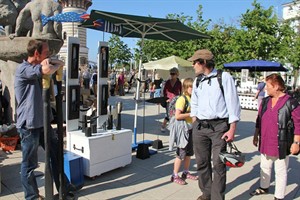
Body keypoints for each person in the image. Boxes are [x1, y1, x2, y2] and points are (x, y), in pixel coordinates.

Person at [14, 39, 74, 200]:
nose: (48, 55)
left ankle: (64, 188)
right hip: (29, 125)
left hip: (43, 122)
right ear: (36, 54)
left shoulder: (37, 66)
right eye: (46, 53)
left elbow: (60, 63)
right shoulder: (23, 69)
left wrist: (53, 62)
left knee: (56, 155)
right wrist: (51, 65)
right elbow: (47, 69)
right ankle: (32, 197)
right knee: (29, 165)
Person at [188, 49, 241, 200]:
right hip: (200, 127)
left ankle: (217, 197)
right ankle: (206, 194)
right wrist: (194, 121)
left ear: (203, 62)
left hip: (219, 127)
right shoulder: (198, 80)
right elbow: (194, 103)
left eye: (195, 62)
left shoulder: (224, 77)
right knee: (202, 163)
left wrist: (232, 129)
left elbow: (233, 104)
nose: (193, 65)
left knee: (218, 164)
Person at [251, 74, 300, 200]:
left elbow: (298, 123)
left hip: (281, 142)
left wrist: (296, 143)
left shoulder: (291, 102)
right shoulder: (266, 101)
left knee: (280, 171)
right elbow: (259, 119)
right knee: (264, 167)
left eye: (268, 86)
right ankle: (264, 187)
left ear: (277, 86)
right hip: (265, 140)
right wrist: (256, 134)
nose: (265, 89)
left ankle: (278, 196)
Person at [169, 78, 198, 185]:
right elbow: (177, 116)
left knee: (189, 153)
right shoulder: (182, 99)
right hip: (183, 130)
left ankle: (185, 172)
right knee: (181, 153)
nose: (193, 89)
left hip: (191, 129)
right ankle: (174, 175)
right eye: (191, 87)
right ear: (186, 88)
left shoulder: (192, 98)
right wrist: (192, 113)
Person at [161, 67, 182, 132]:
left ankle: (172, 127)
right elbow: (164, 91)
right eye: (171, 74)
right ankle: (164, 125)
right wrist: (165, 98)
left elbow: (181, 92)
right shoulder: (167, 82)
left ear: (177, 74)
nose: (172, 75)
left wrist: (181, 99)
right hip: (168, 101)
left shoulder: (179, 83)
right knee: (168, 114)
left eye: (173, 74)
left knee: (175, 114)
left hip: (176, 100)